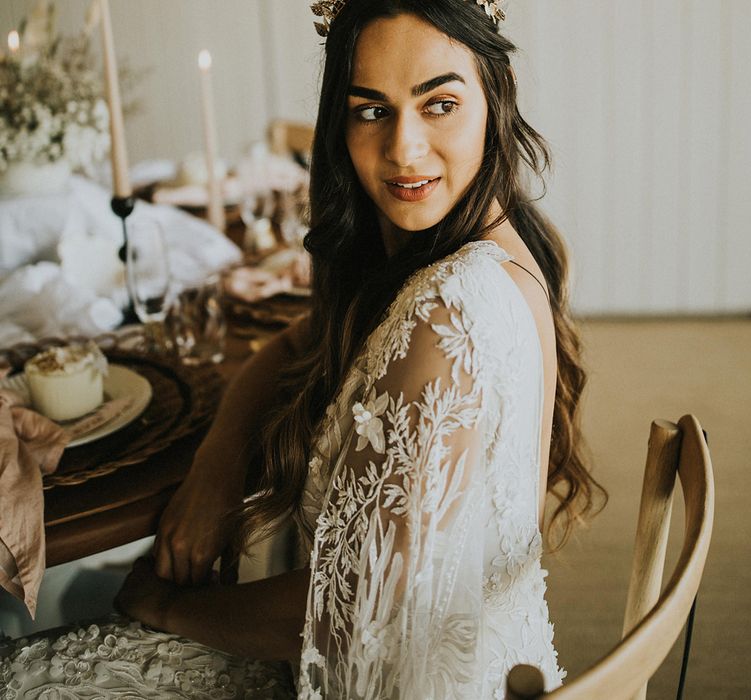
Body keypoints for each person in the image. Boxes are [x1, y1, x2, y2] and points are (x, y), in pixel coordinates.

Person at [0, 0, 605, 697]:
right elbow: (296, 339)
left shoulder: (449, 312)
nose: (405, 149)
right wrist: (218, 464)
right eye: (371, 110)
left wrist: (165, 606)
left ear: (497, 97)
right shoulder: (491, 241)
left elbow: (356, 614)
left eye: (439, 104)